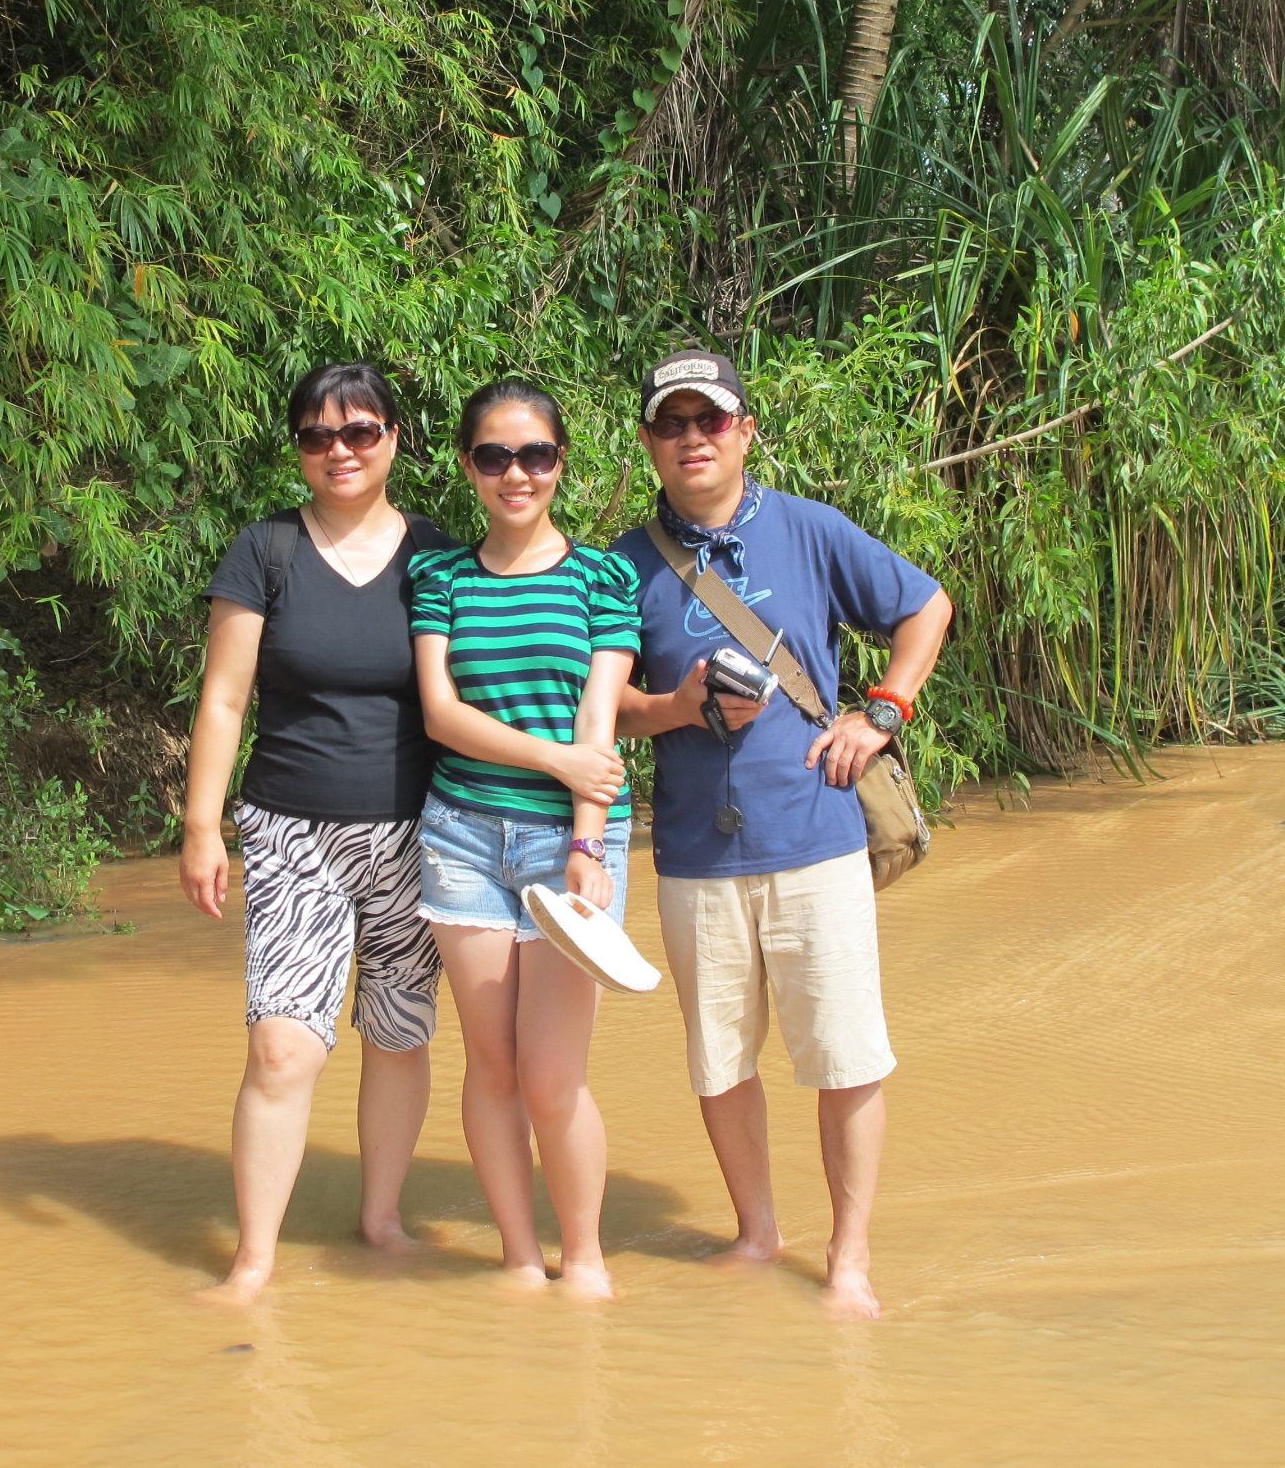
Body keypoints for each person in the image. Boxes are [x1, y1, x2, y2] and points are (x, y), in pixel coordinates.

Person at [612, 349, 953, 1320]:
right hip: (692, 855)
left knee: (843, 1059)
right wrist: (675, 706)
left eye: (708, 421)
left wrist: (881, 709)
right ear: (646, 442)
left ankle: (848, 1262)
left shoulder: (807, 530)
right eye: (670, 424)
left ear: (744, 432)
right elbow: (607, 713)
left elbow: (925, 605)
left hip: (815, 841)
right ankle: (756, 1233)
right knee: (718, 1064)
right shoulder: (624, 567)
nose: (691, 439)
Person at [180, 361, 458, 1305]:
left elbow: (482, 690)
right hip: (292, 831)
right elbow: (224, 698)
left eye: (359, 432)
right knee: (280, 1046)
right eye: (315, 435)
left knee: (397, 1032)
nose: (337, 451)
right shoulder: (265, 551)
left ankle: (380, 1219)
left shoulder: (439, 554)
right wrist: (200, 824)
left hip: (420, 833)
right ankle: (253, 1259)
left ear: (393, 438)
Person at [408, 378, 642, 1300]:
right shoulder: (440, 578)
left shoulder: (602, 577)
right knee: (493, 1065)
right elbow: (439, 713)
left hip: (570, 846)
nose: (517, 473)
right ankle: (515, 1256)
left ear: (559, 464)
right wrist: (561, 764)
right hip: (461, 836)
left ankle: (582, 1257)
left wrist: (587, 846)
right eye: (495, 456)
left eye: (536, 455)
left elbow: (602, 725)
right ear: (469, 466)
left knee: (552, 1075)